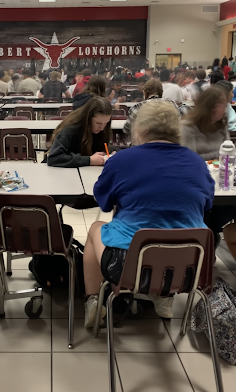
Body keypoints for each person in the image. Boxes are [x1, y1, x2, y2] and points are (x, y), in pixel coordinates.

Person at [83, 101, 214, 327]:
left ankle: (93, 301)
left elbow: (103, 202)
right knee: (173, 230)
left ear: (140, 129)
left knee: (96, 229)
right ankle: (163, 298)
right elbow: (207, 204)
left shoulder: (121, 160)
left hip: (127, 267)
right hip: (190, 269)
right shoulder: (197, 162)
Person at [47, 97, 112, 167]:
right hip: (63, 173)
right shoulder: (70, 130)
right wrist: (90, 160)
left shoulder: (103, 129)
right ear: (88, 118)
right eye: (98, 123)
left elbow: (102, 149)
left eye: (106, 123)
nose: (102, 128)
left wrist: (114, 153)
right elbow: (54, 158)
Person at [180, 87, 228, 160]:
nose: (226, 107)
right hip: (198, 169)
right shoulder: (187, 127)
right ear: (211, 107)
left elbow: (229, 151)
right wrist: (220, 154)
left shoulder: (220, 124)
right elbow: (190, 158)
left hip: (221, 168)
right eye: (223, 104)